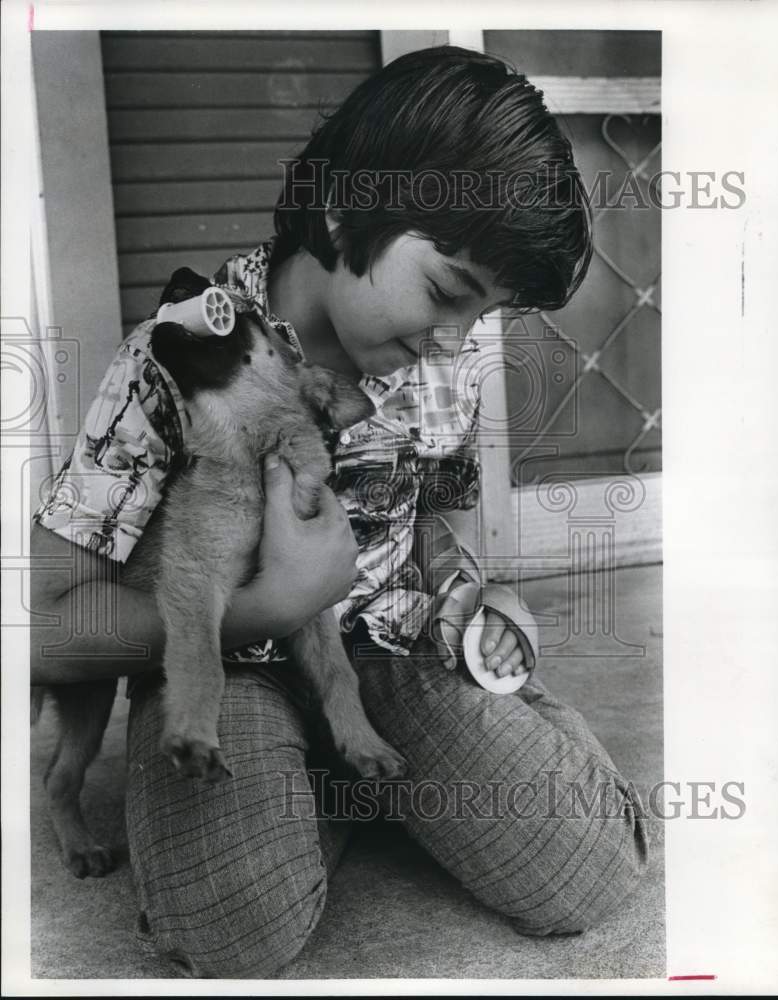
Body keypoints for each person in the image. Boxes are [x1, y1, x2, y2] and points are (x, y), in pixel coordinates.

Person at [30, 46, 648, 978]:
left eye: (484, 319)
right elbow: (43, 628)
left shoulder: (436, 378)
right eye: (448, 293)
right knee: (230, 926)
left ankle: (359, 767)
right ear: (343, 204)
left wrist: (475, 603)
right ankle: (316, 780)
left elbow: (436, 526)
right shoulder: (180, 355)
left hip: (388, 651)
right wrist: (269, 607)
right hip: (223, 663)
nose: (453, 343)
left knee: (590, 870)